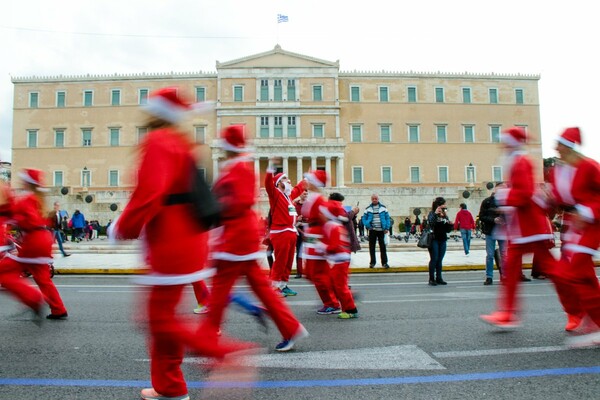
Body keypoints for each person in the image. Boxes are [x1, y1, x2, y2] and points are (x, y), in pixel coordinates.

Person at [108, 87, 253, 400]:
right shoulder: (180, 142)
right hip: (188, 239)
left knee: (158, 319)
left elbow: (150, 192)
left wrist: (122, 227)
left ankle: (228, 353)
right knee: (164, 318)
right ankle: (169, 387)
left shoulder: (158, 141)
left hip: (171, 241)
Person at [199, 124, 308, 352]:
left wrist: (212, 209)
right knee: (261, 290)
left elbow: (239, 202)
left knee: (220, 291)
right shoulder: (241, 169)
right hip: (241, 240)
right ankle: (291, 328)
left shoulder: (239, 170)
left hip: (235, 241)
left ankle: (207, 338)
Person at [480, 127, 562, 330]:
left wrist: (503, 196)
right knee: (511, 270)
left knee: (556, 272)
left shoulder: (521, 161)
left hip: (530, 228)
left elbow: (524, 194)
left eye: (505, 141)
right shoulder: (516, 160)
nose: (502, 144)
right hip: (522, 229)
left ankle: (582, 306)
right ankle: (507, 314)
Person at [543, 127, 600, 347]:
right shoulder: (558, 170)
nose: (555, 147)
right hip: (572, 225)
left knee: (574, 271)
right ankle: (586, 316)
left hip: (592, 225)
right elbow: (557, 198)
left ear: (570, 146)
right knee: (578, 275)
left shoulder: (590, 167)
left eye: (560, 143)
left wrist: (586, 212)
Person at [0, 169, 69, 321]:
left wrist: (8, 200)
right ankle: (59, 309)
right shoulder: (38, 199)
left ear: (28, 183)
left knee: (4, 271)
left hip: (34, 241)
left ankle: (33, 298)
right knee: (43, 278)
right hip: (43, 240)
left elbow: (15, 214)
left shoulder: (27, 199)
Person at [264, 158, 306, 297]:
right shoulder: (275, 194)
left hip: (291, 231)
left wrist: (308, 178)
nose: (289, 181)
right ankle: (274, 287)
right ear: (279, 183)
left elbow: (298, 189)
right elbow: (268, 184)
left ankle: (283, 285)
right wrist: (271, 168)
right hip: (281, 232)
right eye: (286, 179)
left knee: (288, 261)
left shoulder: (288, 197)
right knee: (280, 261)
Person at [301, 169, 340, 314]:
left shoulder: (318, 199)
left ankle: (332, 303)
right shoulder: (313, 197)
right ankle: (337, 294)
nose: (306, 182)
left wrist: (326, 240)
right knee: (312, 273)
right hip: (312, 237)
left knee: (317, 274)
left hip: (317, 238)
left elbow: (326, 219)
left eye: (309, 180)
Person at [319, 199, 359, 319]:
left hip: (341, 261)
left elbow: (334, 246)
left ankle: (351, 309)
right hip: (339, 260)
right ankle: (346, 305)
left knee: (340, 287)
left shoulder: (333, 226)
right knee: (335, 285)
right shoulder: (333, 225)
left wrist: (322, 247)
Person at [478, 184, 506, 285]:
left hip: (503, 231)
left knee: (504, 254)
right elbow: (481, 216)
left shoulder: (506, 202)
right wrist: (493, 220)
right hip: (490, 231)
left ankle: (504, 275)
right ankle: (489, 276)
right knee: (490, 255)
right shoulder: (487, 201)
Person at [426, 197, 454, 286]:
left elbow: (448, 230)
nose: (444, 207)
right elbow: (430, 223)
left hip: (442, 239)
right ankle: (431, 278)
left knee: (440, 260)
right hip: (434, 239)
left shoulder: (444, 215)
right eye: (443, 205)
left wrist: (450, 225)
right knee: (434, 259)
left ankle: (439, 277)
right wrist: (435, 214)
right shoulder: (431, 214)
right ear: (438, 205)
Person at [362, 194, 391, 269]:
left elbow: (388, 218)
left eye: (376, 199)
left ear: (378, 199)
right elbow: (364, 218)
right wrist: (367, 225)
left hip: (382, 230)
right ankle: (372, 262)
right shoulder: (368, 209)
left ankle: (384, 263)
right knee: (372, 247)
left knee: (383, 247)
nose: (374, 200)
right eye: (373, 199)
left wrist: (387, 228)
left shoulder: (383, 208)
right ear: (371, 199)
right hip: (372, 230)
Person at [293, 189, 309, 278]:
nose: (305, 195)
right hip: (298, 230)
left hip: (308, 230)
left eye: (307, 194)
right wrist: (297, 219)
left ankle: (309, 271)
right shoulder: (295, 205)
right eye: (304, 193)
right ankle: (299, 272)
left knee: (309, 251)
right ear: (300, 194)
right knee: (299, 251)